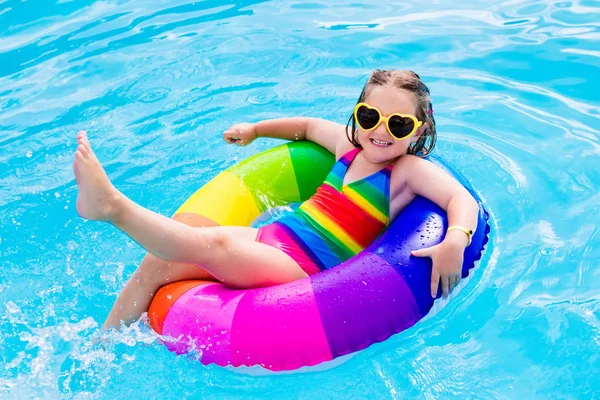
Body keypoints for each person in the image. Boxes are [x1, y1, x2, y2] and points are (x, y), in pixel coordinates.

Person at [73, 69, 479, 331]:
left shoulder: (406, 171)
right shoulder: (348, 146)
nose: (382, 132)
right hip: (273, 237)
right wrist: (255, 130)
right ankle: (103, 343)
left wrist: (456, 239)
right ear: (358, 114)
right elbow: (304, 126)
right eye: (370, 117)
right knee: (157, 261)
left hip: (302, 267)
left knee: (215, 246)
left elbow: (460, 198)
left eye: (399, 124)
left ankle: (112, 207)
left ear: (418, 128)